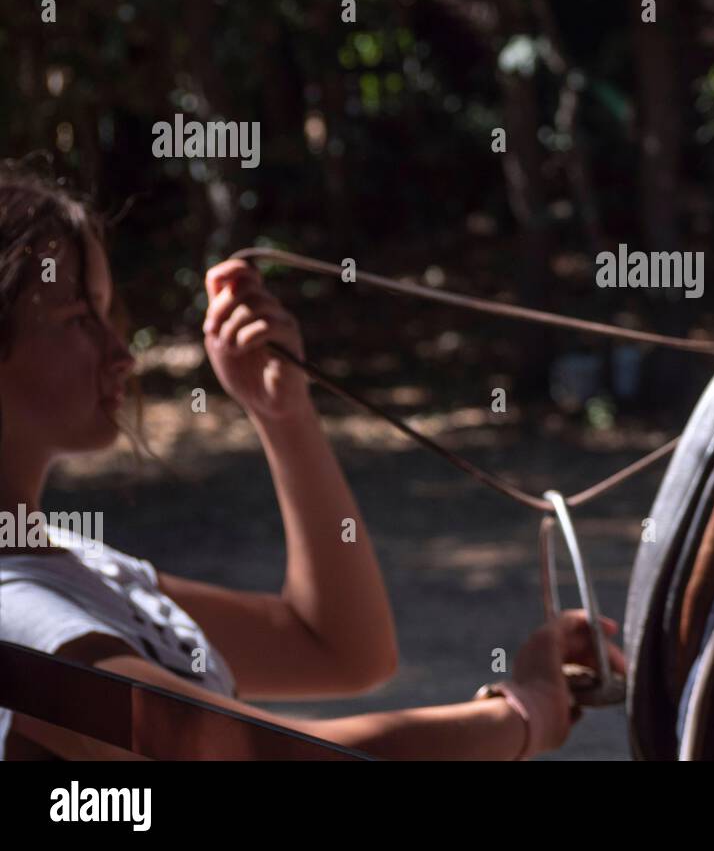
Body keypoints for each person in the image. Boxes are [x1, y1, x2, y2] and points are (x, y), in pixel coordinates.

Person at [0, 162, 624, 760]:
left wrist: (282, 415)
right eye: (79, 318)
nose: (121, 354)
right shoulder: (16, 612)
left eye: (108, 313)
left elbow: (343, 649)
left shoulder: (78, 563)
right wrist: (520, 715)